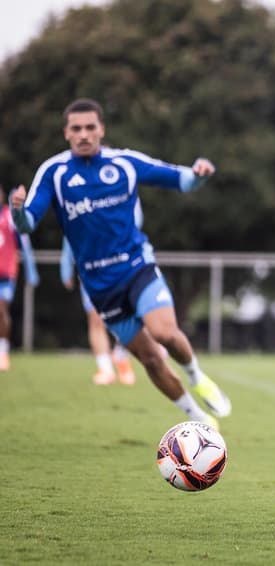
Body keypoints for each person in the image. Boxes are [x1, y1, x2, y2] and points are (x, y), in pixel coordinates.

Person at [10, 98, 231, 429]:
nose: (84, 134)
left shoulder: (124, 163)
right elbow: (27, 223)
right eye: (76, 128)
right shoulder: (54, 172)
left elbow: (177, 179)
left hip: (137, 267)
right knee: (151, 360)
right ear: (66, 133)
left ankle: (197, 376)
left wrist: (199, 174)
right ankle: (198, 419)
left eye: (90, 127)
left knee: (164, 333)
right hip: (100, 287)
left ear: (101, 129)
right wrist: (17, 210)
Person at [61, 237, 136, 385]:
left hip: (118, 269)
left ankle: (121, 356)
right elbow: (70, 232)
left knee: (125, 317)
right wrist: (66, 267)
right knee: (96, 319)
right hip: (90, 270)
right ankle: (105, 368)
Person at [0, 183, 40, 370]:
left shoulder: (10, 216)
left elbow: (24, 242)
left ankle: (2, 352)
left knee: (1, 310)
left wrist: (31, 270)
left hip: (5, 272)